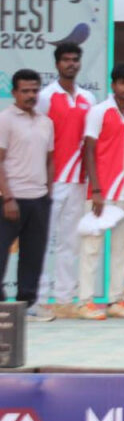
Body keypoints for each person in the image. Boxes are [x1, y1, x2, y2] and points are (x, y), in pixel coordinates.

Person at [77, 63, 124, 320]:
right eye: (123, 83)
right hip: (101, 193)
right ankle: (85, 301)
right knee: (91, 249)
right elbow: (89, 150)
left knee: (121, 250)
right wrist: (95, 189)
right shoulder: (98, 111)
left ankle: (116, 300)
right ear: (113, 85)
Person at [35, 43, 96, 317]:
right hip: (51, 180)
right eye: (66, 60)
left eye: (75, 59)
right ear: (57, 64)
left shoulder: (88, 98)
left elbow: (92, 139)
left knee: (70, 242)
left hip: (78, 180)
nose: (71, 64)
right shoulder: (46, 97)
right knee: (42, 240)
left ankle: (63, 298)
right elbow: (38, 138)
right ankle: (38, 299)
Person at [0, 70, 54, 320]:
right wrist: (7, 197)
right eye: (25, 91)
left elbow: (49, 160)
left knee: (33, 255)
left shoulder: (46, 122)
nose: (31, 95)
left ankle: (28, 303)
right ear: (14, 92)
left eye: (35, 90)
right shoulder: (5, 119)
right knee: (1, 252)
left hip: (39, 198)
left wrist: (48, 193)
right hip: (11, 199)